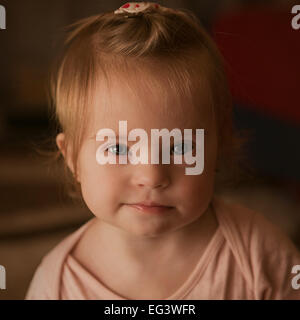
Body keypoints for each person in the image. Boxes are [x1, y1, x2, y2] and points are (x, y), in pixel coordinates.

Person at [25, 2, 300, 300]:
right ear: (72, 158)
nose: (152, 175)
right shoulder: (58, 284)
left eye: (180, 147)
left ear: (217, 149)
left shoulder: (259, 255)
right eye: (118, 148)